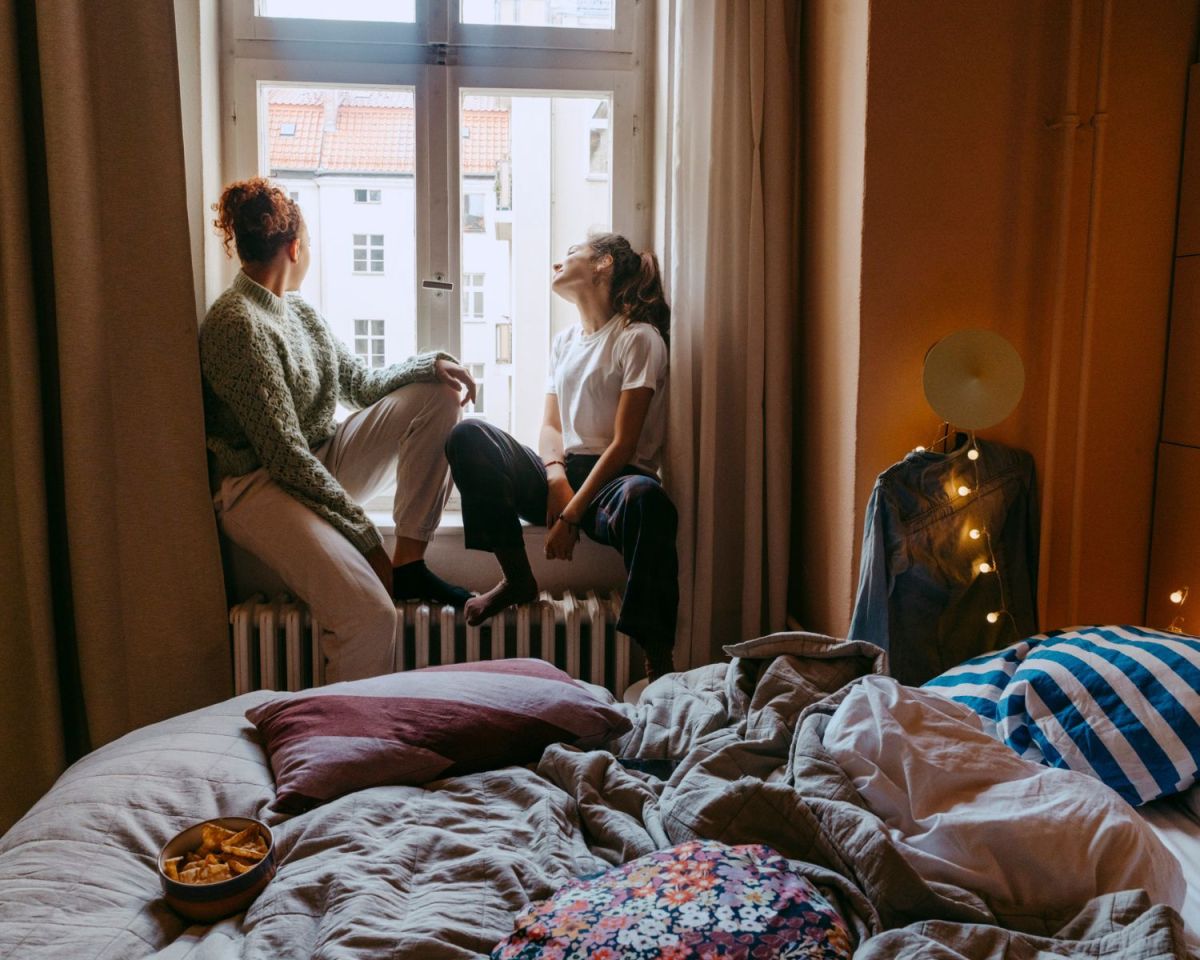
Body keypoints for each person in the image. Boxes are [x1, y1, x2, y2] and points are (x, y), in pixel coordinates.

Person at [201, 177, 474, 683]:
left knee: (439, 394)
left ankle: (411, 562)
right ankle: (344, 750)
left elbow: (361, 384)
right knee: (370, 617)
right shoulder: (235, 324)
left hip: (318, 461)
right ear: (295, 247)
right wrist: (367, 540)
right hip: (258, 488)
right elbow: (283, 455)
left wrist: (431, 365)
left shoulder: (299, 311)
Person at [444, 232, 679, 681]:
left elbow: (624, 444)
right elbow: (551, 427)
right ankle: (517, 578)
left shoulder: (639, 339)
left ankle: (658, 655)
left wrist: (572, 516)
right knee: (470, 434)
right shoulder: (565, 341)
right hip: (565, 472)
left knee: (650, 502)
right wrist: (555, 479)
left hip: (616, 480)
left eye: (571, 254)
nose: (559, 262)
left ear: (603, 264)